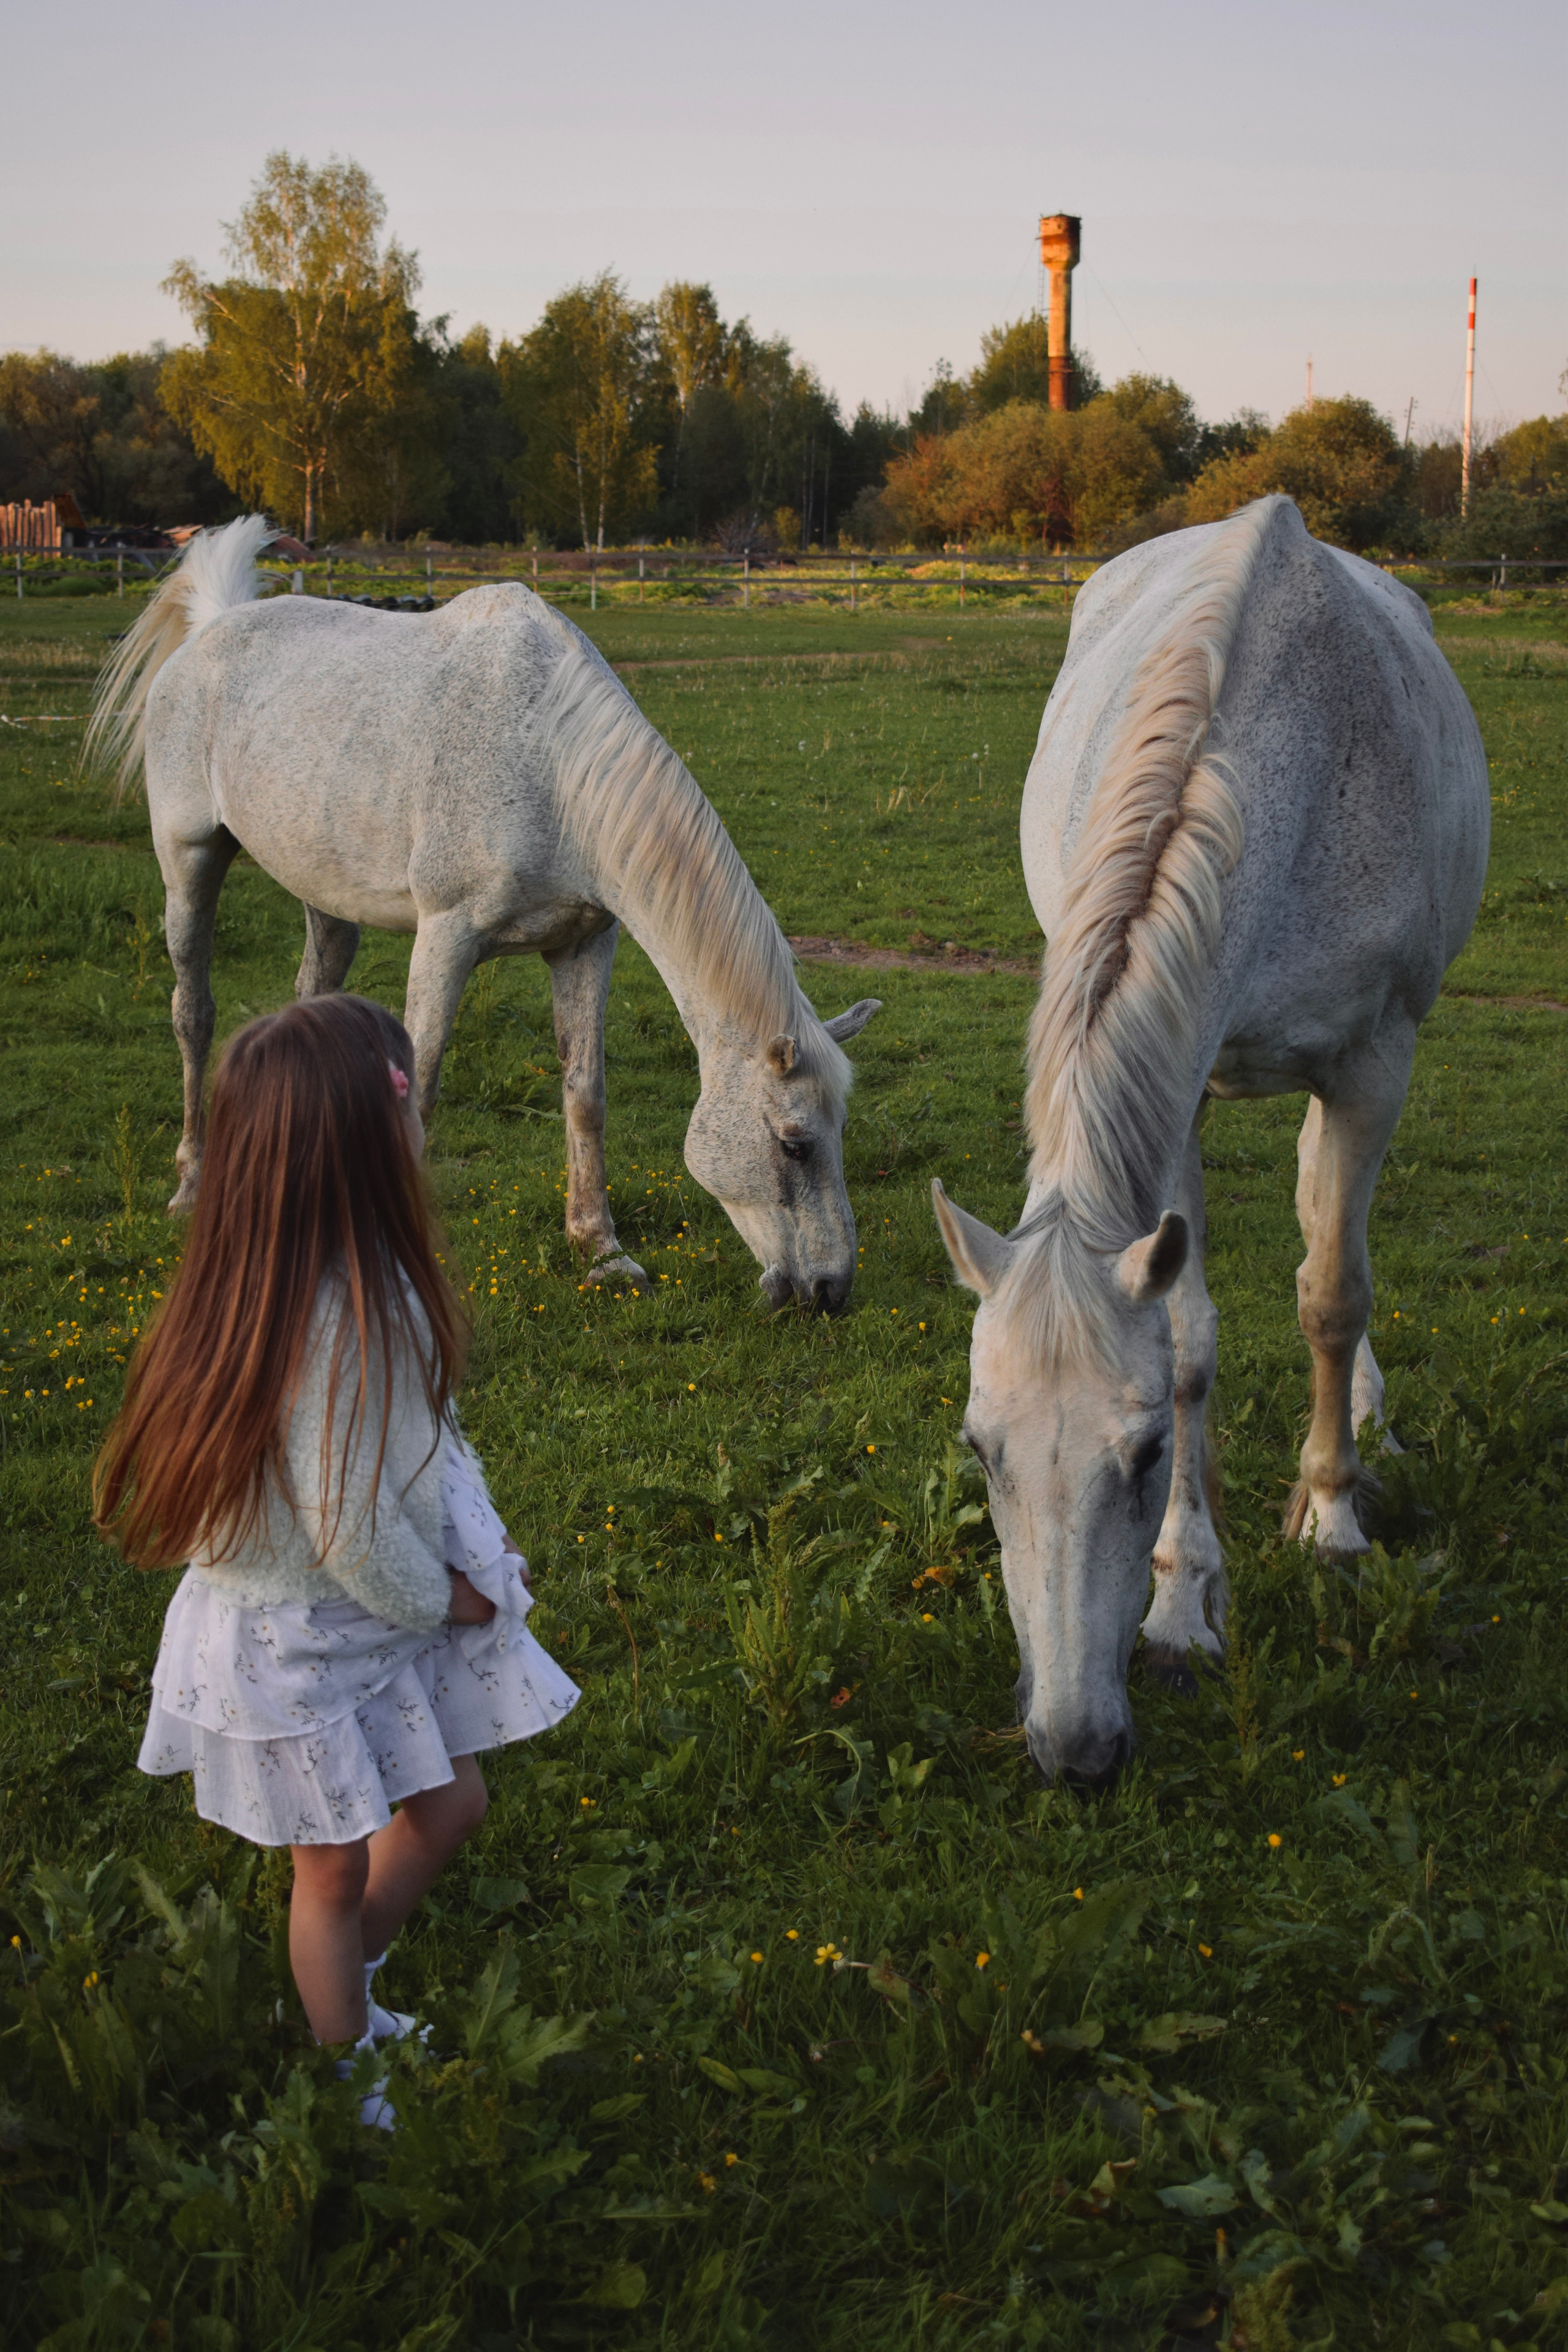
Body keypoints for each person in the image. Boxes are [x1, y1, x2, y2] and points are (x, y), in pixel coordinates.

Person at [94, 994, 578, 2122]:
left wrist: (473, 1536)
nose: (424, 1120)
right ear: (366, 1141)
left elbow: (410, 1450)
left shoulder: (318, 1278)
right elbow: (349, 1524)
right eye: (411, 1101)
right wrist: (450, 1600)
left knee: (451, 1806)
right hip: (297, 1634)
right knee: (332, 1868)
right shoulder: (333, 1319)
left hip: (351, 1615)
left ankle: (340, 1991)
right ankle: (341, 2069)